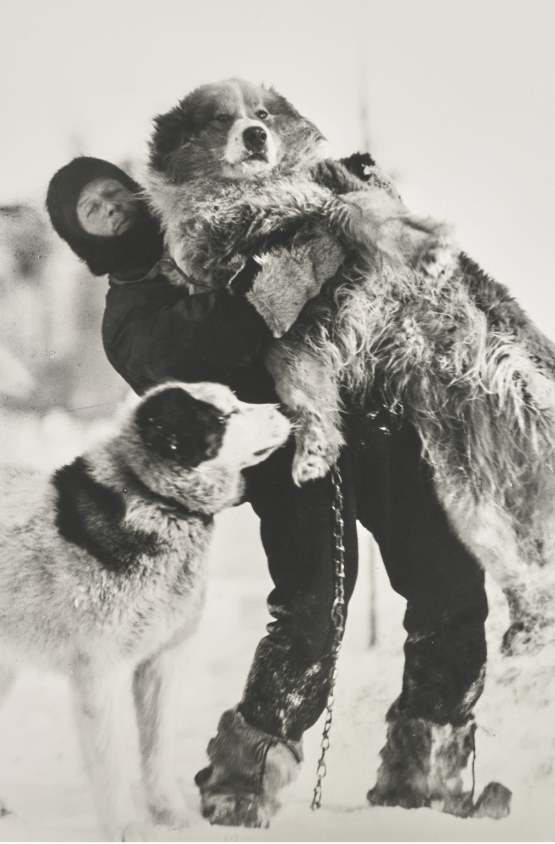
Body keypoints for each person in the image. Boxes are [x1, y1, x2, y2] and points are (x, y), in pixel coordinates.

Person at [45, 156, 507, 826]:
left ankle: (427, 767)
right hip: (283, 452)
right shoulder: (129, 315)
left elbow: (302, 210)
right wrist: (270, 288)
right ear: (84, 239)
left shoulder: (211, 222)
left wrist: (347, 188)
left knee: (451, 582)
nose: (112, 207)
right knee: (314, 607)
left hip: (365, 414)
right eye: (93, 209)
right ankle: (243, 775)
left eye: (113, 190)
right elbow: (188, 354)